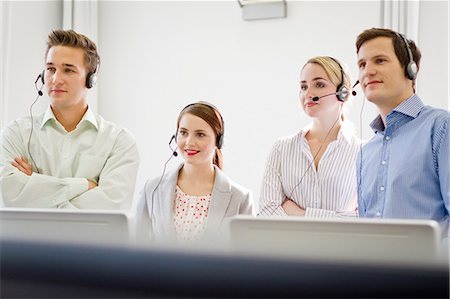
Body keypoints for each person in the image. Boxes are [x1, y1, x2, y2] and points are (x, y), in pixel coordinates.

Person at [0, 29, 139, 210]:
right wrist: (84, 185)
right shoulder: (16, 133)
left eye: (68, 70)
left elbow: (110, 209)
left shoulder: (120, 142)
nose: (56, 79)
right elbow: (11, 195)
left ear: (90, 79)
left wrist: (35, 184)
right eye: (51, 69)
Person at [355, 28, 449, 228]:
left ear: (410, 69)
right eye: (362, 64)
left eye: (380, 60)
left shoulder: (441, 127)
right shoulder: (365, 153)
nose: (367, 71)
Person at [258, 56, 361, 217]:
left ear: (343, 92)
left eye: (319, 85)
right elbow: (267, 212)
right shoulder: (281, 149)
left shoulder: (362, 152)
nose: (308, 93)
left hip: (340, 243)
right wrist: (336, 218)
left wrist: (300, 214)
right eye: (304, 87)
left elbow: (363, 219)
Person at [137, 101, 253, 242]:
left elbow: (245, 257)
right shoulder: (152, 189)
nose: (189, 142)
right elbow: (136, 245)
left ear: (218, 141)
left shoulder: (240, 198)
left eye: (200, 134)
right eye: (183, 133)